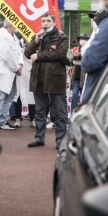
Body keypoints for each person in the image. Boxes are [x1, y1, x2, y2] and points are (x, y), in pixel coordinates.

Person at [24, 12, 69, 150]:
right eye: (43, 21)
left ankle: (61, 140)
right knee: (39, 111)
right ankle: (39, 137)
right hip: (38, 79)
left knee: (59, 112)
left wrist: (39, 55)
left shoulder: (62, 37)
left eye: (48, 21)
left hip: (55, 79)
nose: (45, 23)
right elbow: (27, 54)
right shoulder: (38, 36)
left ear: (54, 23)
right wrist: (35, 41)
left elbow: (59, 54)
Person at [0, 19, 23, 132]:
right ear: (11, 26)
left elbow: (18, 52)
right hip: (3, 71)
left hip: (11, 72)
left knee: (10, 97)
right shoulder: (0, 36)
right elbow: (7, 55)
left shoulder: (13, 36)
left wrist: (20, 64)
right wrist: (17, 68)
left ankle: (1, 120)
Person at [70, 33, 89, 111]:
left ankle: (83, 112)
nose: (83, 41)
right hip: (76, 77)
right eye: (81, 39)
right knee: (74, 94)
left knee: (84, 96)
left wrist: (82, 54)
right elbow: (71, 62)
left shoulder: (89, 49)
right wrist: (74, 56)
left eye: (85, 39)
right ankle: (73, 112)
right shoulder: (75, 49)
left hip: (85, 77)